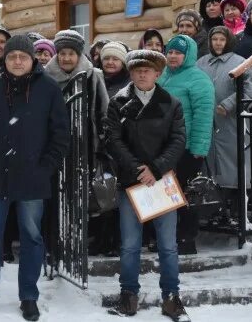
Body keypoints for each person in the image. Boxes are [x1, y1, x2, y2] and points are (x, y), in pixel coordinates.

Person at [0, 35, 70, 321]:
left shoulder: (48, 89)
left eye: (22, 57)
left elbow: (60, 135)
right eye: (12, 56)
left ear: (32, 60)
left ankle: (28, 295)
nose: (16, 61)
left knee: (32, 237)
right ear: (5, 59)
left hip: (32, 177)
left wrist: (46, 167)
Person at [104, 49, 188, 321]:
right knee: (129, 244)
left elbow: (178, 140)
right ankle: (128, 294)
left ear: (157, 73)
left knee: (168, 245)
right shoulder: (118, 102)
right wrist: (138, 170)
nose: (142, 73)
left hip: (161, 182)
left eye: (148, 69)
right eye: (138, 69)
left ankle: (171, 297)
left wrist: (155, 168)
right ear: (131, 73)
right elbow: (113, 140)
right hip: (131, 182)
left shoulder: (171, 103)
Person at [157, 35, 215, 255]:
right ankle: (166, 237)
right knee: (165, 194)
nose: (172, 56)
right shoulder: (162, 76)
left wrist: (198, 149)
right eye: (170, 52)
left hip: (187, 147)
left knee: (184, 195)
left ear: (188, 55)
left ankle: (186, 239)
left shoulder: (198, 79)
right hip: (163, 147)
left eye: (178, 53)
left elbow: (203, 116)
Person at [196, 27, 252, 215]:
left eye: (222, 39)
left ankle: (237, 210)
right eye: (214, 39)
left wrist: (230, 104)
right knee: (209, 166)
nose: (218, 43)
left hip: (231, 123)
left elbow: (250, 89)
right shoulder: (201, 63)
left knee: (234, 165)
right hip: (206, 122)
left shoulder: (239, 63)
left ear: (228, 41)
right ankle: (213, 208)